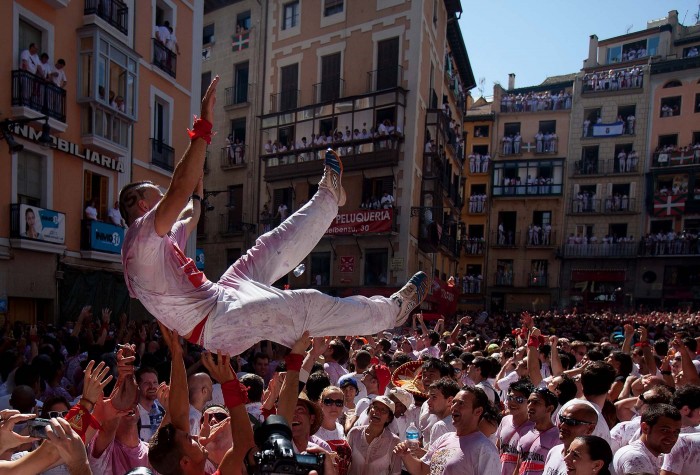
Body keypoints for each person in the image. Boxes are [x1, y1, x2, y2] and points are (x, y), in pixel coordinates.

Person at [119, 76, 429, 358]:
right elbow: (178, 191)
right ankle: (392, 312)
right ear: (142, 205)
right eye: (155, 194)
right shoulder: (140, 237)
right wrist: (204, 126)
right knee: (304, 304)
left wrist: (197, 195)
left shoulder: (160, 239)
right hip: (216, 324)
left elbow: (190, 212)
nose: (162, 197)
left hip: (223, 298)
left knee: (268, 247)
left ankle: (328, 198)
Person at [394, 387, 501, 474]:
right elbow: (421, 469)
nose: (454, 407)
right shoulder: (444, 438)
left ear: (478, 411)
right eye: (454, 402)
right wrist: (405, 455)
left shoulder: (485, 449)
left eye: (461, 403)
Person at [613, 403, 682, 475]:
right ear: (645, 428)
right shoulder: (635, 458)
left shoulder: (654, 456)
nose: (672, 437)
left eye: (676, 432)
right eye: (665, 430)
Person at [347, 396, 402, 475]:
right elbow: (344, 463)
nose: (377, 412)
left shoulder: (394, 441)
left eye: (383, 410)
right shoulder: (354, 433)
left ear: (388, 418)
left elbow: (395, 472)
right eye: (375, 407)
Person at [542, 401, 599, 475]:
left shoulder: (587, 465)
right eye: (562, 419)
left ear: (590, 429)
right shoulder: (554, 451)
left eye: (571, 422)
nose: (562, 426)